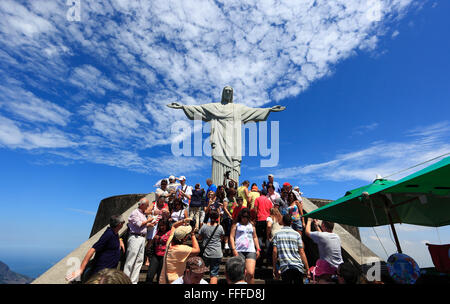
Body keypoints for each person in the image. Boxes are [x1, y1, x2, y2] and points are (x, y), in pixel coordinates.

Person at [66, 215, 125, 282]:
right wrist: (81, 269)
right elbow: (92, 249)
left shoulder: (114, 232)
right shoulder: (108, 234)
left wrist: (120, 240)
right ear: (119, 224)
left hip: (109, 271)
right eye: (123, 222)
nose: (124, 223)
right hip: (101, 273)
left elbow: (115, 237)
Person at [124, 198, 156, 284]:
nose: (148, 207)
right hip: (135, 237)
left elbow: (142, 225)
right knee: (131, 260)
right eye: (147, 205)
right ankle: (126, 281)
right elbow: (139, 224)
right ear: (142, 205)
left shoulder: (142, 214)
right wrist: (148, 220)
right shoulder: (135, 212)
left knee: (139, 261)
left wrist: (150, 224)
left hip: (141, 238)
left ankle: (134, 281)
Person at [272, 214, 310, 284]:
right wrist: (307, 268)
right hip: (297, 266)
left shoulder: (277, 234)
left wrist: (274, 268)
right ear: (291, 222)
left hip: (285, 266)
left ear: (283, 222)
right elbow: (302, 252)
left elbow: (274, 251)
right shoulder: (297, 234)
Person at [159, 220, 200, 284]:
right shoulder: (181, 249)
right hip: (175, 280)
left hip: (163, 279)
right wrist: (192, 234)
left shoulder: (169, 243)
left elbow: (174, 226)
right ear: (185, 238)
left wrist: (184, 220)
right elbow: (197, 250)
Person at [229, 208, 261, 284]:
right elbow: (231, 236)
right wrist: (233, 249)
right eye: (243, 216)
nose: (245, 218)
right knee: (240, 274)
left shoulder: (252, 226)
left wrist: (258, 249)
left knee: (250, 273)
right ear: (240, 216)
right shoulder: (236, 225)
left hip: (251, 250)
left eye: (246, 216)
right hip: (239, 250)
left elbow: (255, 237)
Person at [198, 210, 224, 284]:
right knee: (214, 274)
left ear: (209, 217)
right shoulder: (220, 227)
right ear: (217, 218)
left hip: (206, 253)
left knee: (200, 272)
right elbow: (221, 238)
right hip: (217, 253)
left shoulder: (204, 226)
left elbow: (199, 238)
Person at [145, 196, 169, 266]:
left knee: (158, 240)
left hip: (161, 225)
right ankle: (147, 259)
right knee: (150, 241)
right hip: (153, 224)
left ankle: (155, 258)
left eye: (163, 202)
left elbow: (168, 213)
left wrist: (166, 212)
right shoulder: (153, 204)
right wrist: (153, 212)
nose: (161, 204)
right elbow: (146, 212)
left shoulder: (165, 205)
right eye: (160, 202)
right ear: (158, 200)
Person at [145, 218, 171, 284]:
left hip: (164, 256)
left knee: (160, 276)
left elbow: (168, 241)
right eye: (160, 225)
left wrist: (159, 238)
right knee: (150, 275)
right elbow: (153, 241)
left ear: (166, 225)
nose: (161, 227)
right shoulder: (158, 232)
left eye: (163, 225)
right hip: (156, 255)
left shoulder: (170, 232)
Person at [254, 192, 273, 267]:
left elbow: (255, 209)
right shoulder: (269, 201)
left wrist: (255, 217)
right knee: (267, 238)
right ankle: (268, 259)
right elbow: (271, 210)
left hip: (259, 219)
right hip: (267, 220)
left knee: (259, 238)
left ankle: (259, 258)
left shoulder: (257, 199)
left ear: (260, 193)